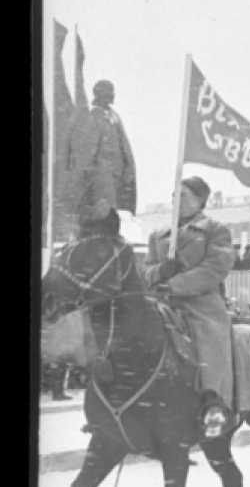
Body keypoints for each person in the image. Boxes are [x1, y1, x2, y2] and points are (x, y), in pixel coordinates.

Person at [142, 176, 234, 432]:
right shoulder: (158, 234)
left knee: (209, 336)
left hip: (201, 303)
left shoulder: (216, 230)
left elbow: (215, 267)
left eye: (182, 196)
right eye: (173, 196)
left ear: (199, 201)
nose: (175, 201)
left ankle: (212, 398)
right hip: (161, 300)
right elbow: (145, 270)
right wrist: (160, 271)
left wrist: (176, 283)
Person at [63, 79, 137, 228]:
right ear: (101, 94)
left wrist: (127, 171)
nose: (113, 95)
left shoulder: (113, 116)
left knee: (111, 215)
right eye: (110, 92)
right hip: (100, 179)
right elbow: (86, 154)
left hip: (115, 179)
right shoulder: (91, 117)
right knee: (102, 217)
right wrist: (90, 177)